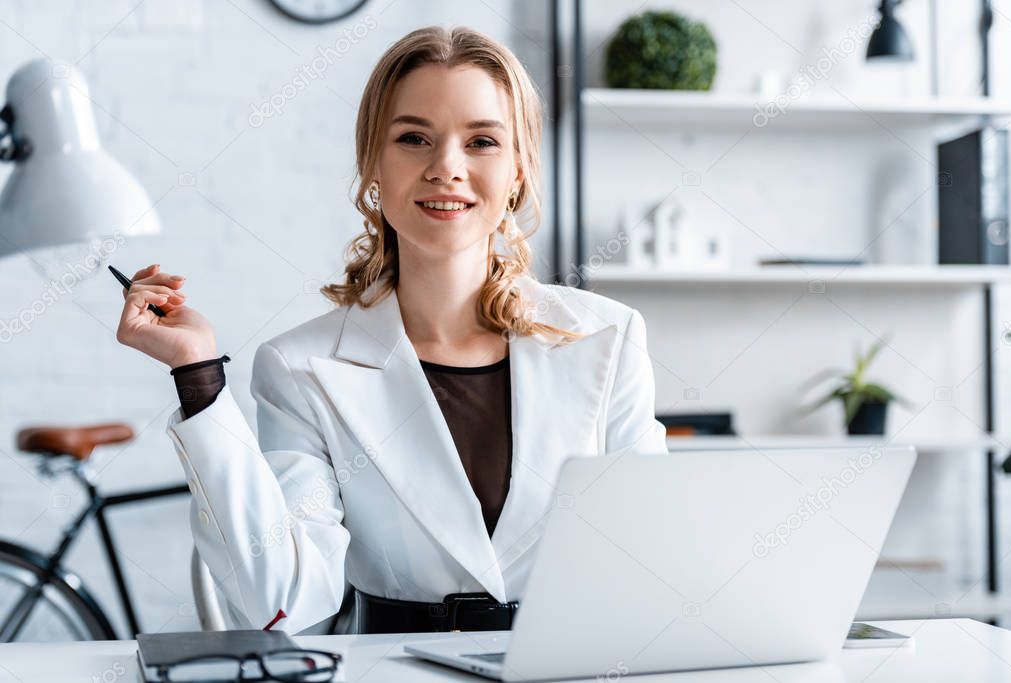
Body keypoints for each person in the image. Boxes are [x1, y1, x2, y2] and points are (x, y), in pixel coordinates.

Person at [114, 25, 667, 636]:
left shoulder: (608, 339)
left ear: (519, 170)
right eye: (413, 138)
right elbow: (285, 602)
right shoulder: (301, 368)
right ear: (373, 163)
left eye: (482, 140)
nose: (446, 168)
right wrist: (198, 377)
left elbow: (650, 562)